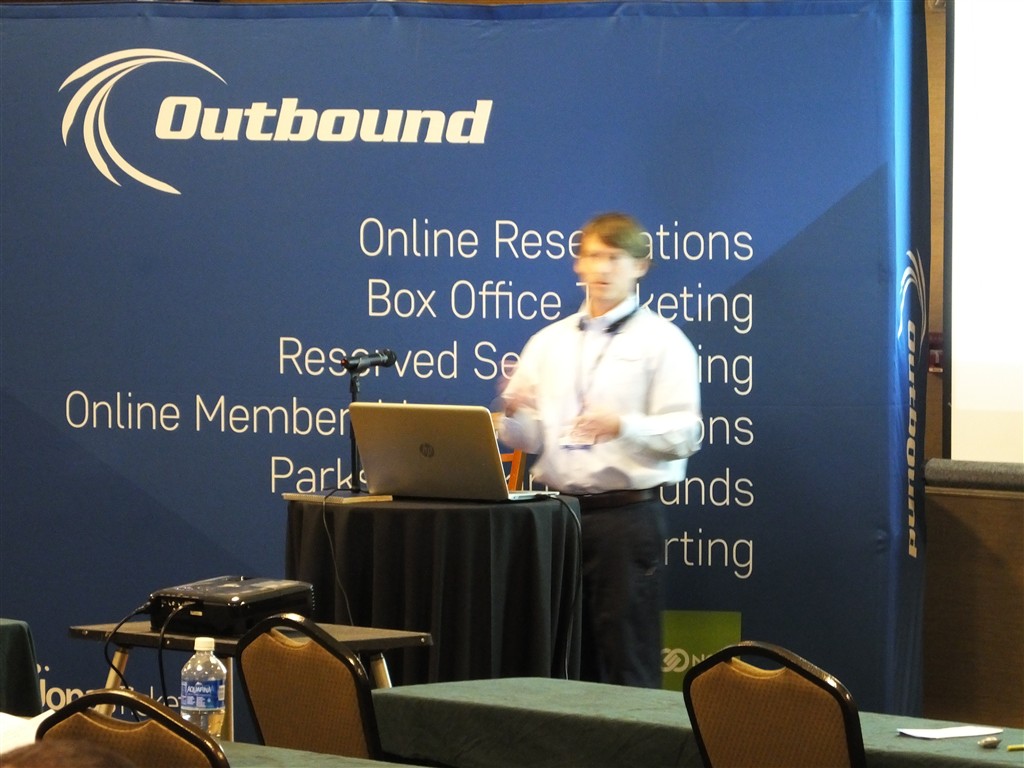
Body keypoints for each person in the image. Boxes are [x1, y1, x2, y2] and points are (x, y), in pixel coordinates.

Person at [493, 211, 702, 688]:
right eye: (593, 256)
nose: (603, 268)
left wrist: (623, 426)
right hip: (556, 519)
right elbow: (530, 438)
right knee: (560, 660)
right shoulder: (547, 342)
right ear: (578, 265)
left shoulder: (664, 342)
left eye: (615, 257)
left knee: (627, 659)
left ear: (640, 266)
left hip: (624, 520)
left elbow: (686, 435)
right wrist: (513, 415)